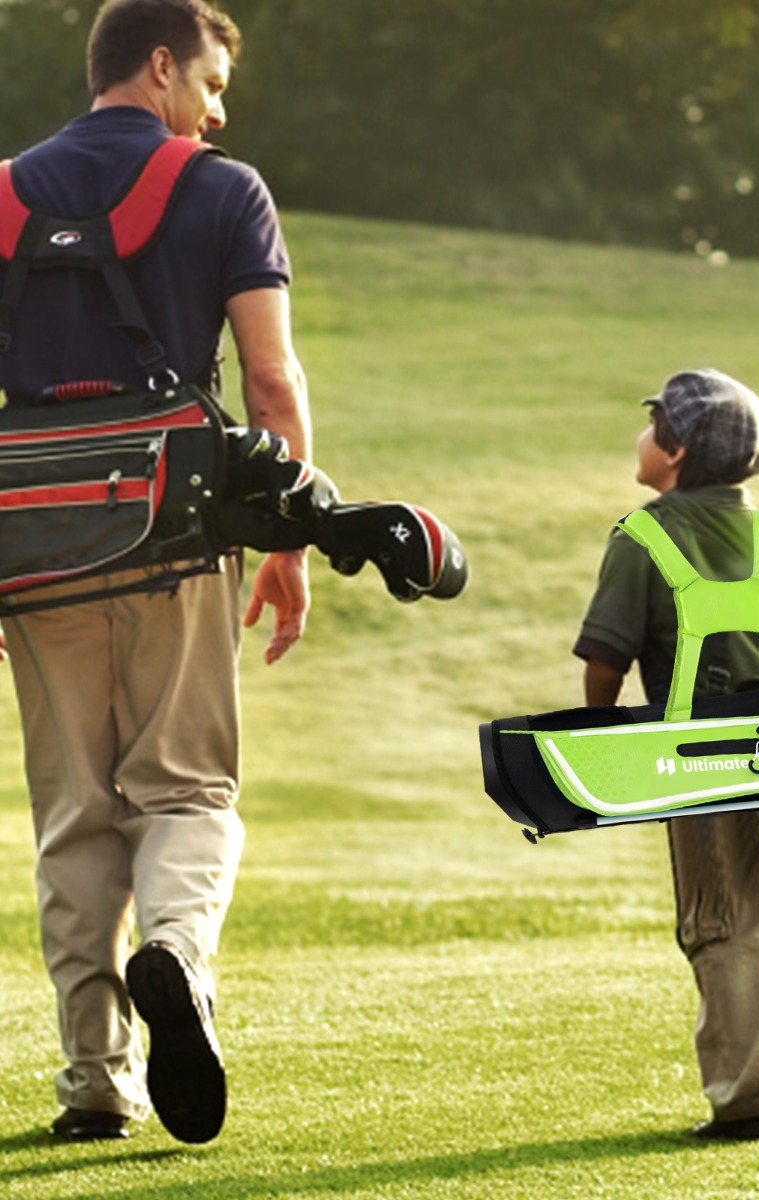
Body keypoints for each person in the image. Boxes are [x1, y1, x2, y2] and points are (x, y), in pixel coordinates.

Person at [0, 0, 310, 1143]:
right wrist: (284, 540)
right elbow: (270, 389)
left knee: (74, 810)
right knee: (184, 788)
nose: (218, 108)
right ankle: (173, 954)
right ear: (162, 64)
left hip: (30, 551)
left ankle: (95, 1079)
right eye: (213, 81)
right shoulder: (224, 189)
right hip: (177, 539)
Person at [574, 369, 759, 1141]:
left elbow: (606, 657)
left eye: (652, 423)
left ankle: (749, 1097)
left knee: (721, 917)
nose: (641, 435)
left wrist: (602, 744)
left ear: (678, 448)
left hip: (701, 755)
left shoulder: (644, 537)